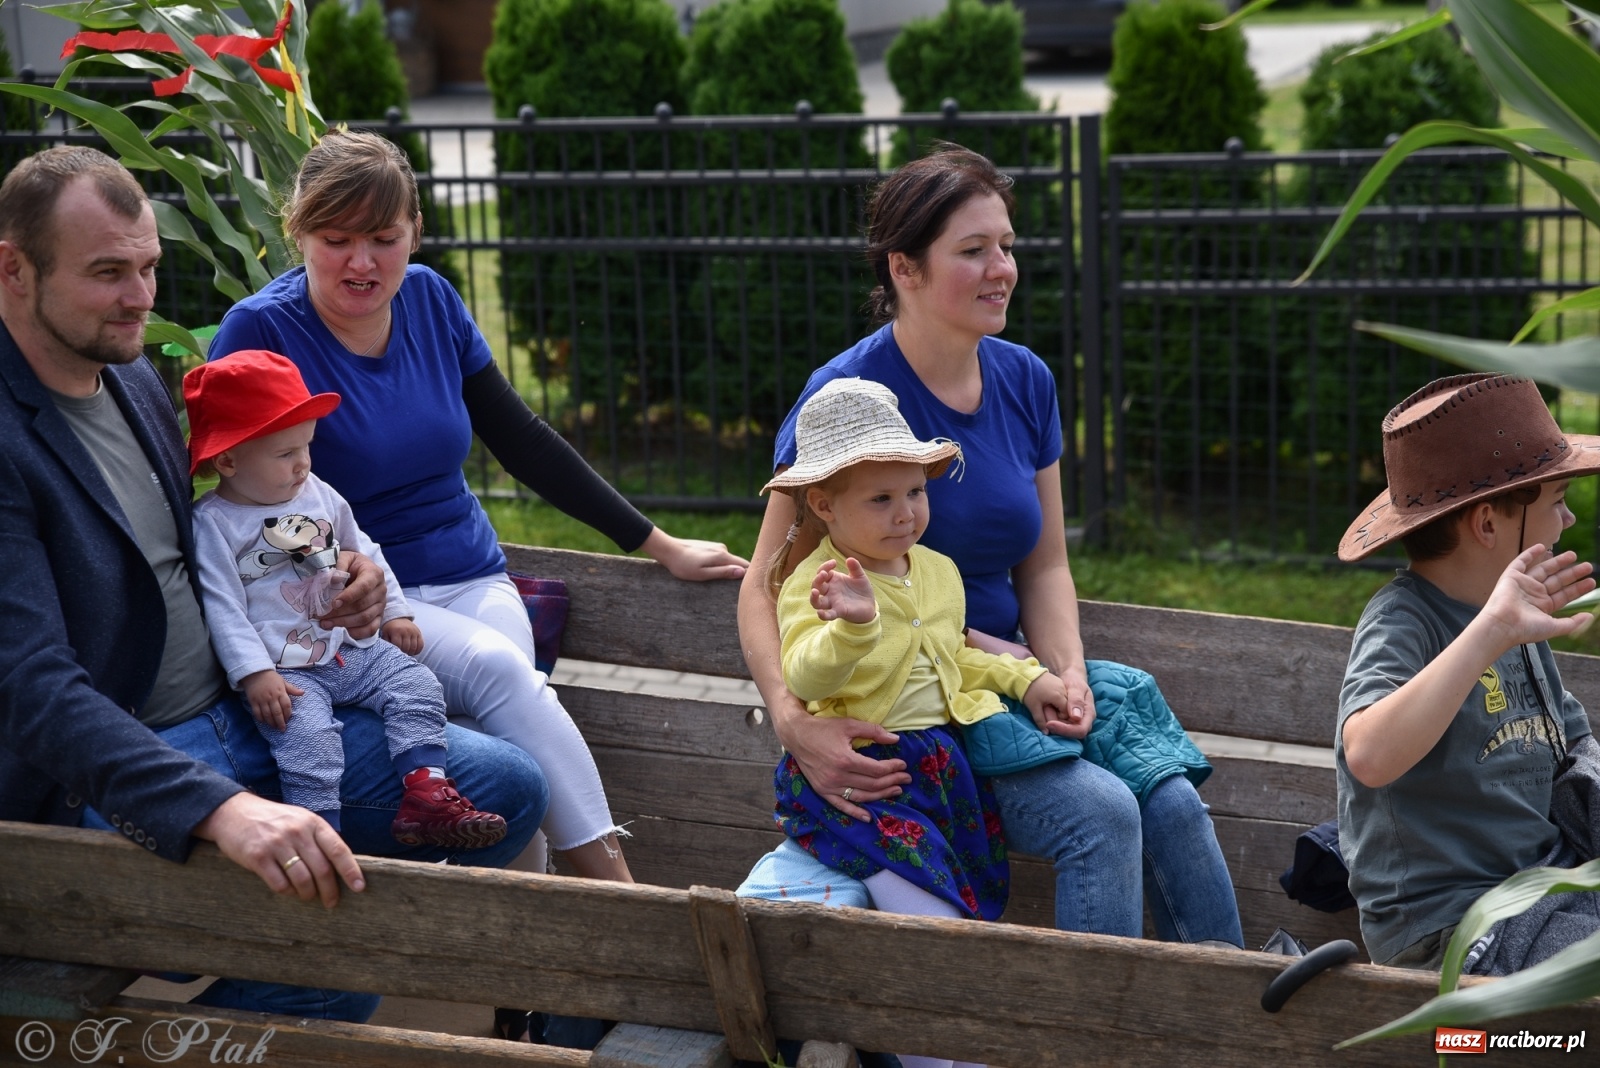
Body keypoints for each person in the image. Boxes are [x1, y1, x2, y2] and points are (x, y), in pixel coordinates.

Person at [208, 130, 747, 1043]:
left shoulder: (431, 302)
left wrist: (656, 542)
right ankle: (634, 916)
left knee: (510, 751)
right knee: (504, 678)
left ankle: (524, 1011)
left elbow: (522, 436)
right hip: (359, 610)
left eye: (383, 234)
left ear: (415, 230)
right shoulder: (263, 331)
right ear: (299, 234)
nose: (362, 259)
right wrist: (323, 569)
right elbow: (227, 491)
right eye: (337, 236)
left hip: (472, 571)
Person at [0, 145, 548, 1021]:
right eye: (109, 272)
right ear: (14, 268)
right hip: (117, 764)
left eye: (148, 266)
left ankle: (234, 977)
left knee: (512, 784)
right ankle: (173, 1016)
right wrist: (221, 809)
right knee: (333, 958)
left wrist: (345, 572)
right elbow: (32, 690)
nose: (141, 297)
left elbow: (222, 533)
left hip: (255, 701)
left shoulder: (131, 377)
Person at [736, 144, 1243, 948]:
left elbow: (1045, 563)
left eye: (1005, 245)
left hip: (1007, 674)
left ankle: (1232, 1013)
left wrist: (1066, 671)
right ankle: (1080, 1038)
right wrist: (793, 722)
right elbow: (766, 583)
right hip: (923, 704)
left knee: (1171, 796)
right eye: (972, 251)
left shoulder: (1025, 379)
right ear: (905, 268)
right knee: (1104, 814)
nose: (1000, 267)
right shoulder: (846, 404)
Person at [765, 378, 1067, 944]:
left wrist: (1026, 679)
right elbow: (804, 674)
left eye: (915, 493)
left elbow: (951, 657)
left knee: (971, 900)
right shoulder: (818, 583)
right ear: (824, 505)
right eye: (881, 499)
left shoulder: (935, 571)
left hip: (938, 770)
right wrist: (853, 631)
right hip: (861, 776)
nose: (905, 514)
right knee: (935, 921)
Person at [187, 348, 507, 848]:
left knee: (416, 685)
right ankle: (319, 831)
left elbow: (366, 552)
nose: (303, 464)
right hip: (286, 671)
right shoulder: (215, 524)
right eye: (285, 453)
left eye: (306, 448)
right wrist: (255, 675)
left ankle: (426, 789)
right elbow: (222, 606)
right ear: (227, 459)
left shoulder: (318, 492)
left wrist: (395, 612)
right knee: (308, 742)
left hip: (350, 650)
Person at [1337, 372, 1600, 974]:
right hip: (1451, 928)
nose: (1569, 522)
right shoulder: (1405, 622)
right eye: (1557, 502)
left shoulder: (1513, 617)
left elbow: (1574, 750)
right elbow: (1370, 756)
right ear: (1487, 525)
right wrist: (1490, 633)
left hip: (1541, 894)